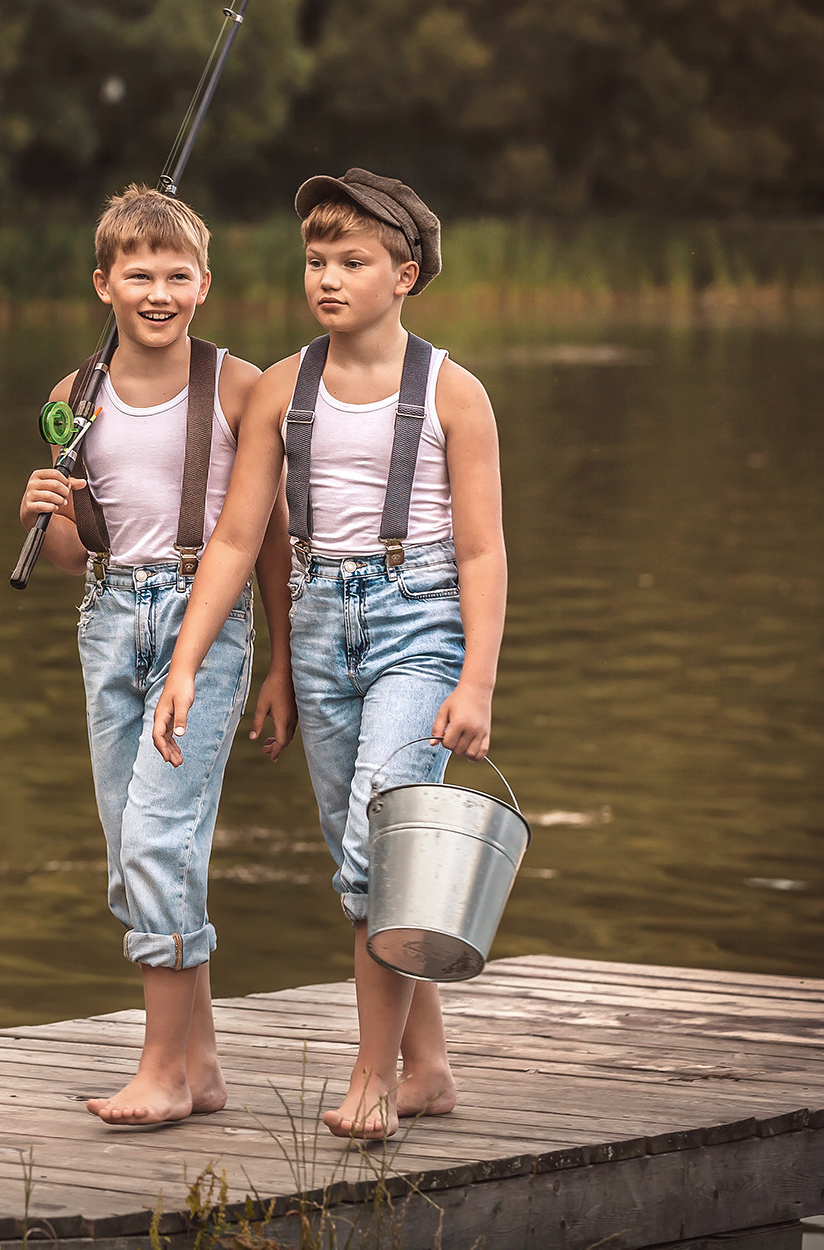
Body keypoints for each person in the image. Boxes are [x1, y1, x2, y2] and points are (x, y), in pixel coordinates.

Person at [150, 169, 507, 1141]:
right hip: (317, 631)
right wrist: (191, 661)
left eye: (350, 261)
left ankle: (373, 1078)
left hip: (419, 627)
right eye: (315, 260)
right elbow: (234, 537)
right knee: (362, 868)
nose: (327, 277)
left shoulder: (452, 393)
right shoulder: (279, 388)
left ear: (405, 274)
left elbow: (480, 549)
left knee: (378, 852)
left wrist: (474, 680)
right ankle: (428, 1064)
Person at [18, 184, 296, 1126]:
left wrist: (282, 662)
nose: (159, 291)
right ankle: (203, 1062)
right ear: (104, 283)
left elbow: (270, 535)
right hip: (107, 620)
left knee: (157, 842)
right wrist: (45, 514)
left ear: (205, 284)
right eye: (139, 274)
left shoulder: (238, 386)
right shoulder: (72, 398)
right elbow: (71, 557)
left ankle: (163, 1071)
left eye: (178, 274)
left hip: (204, 627)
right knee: (130, 851)